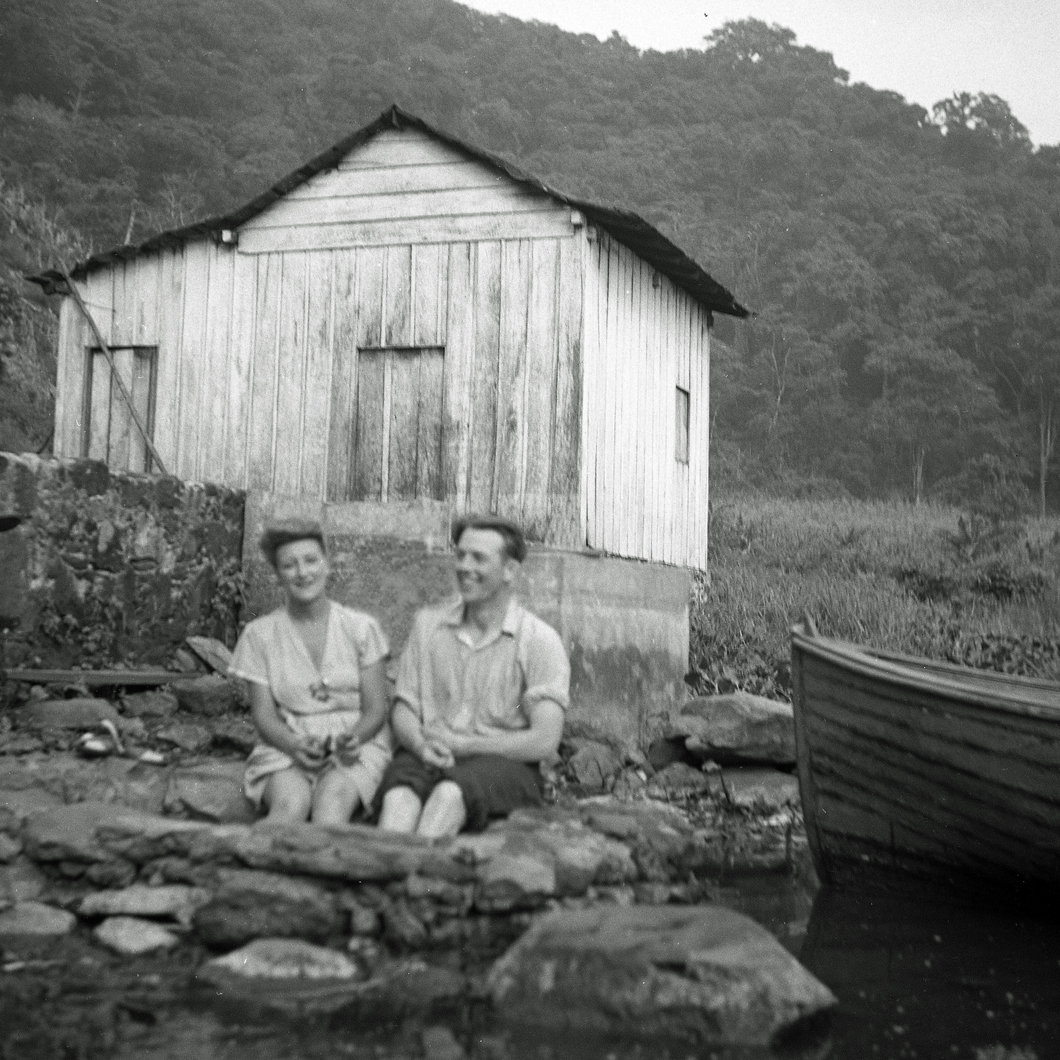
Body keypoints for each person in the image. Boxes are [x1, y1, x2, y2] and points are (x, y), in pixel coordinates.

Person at [376, 515, 569, 839]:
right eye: (461, 555)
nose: (464, 566)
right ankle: (379, 877)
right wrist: (421, 745)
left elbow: (544, 740)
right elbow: (404, 707)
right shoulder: (428, 625)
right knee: (399, 797)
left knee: (449, 795)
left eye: (478, 558)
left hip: (504, 767)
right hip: (430, 754)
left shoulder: (538, 640)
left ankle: (415, 879)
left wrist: (467, 745)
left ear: (510, 570)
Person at [229, 518, 392, 825]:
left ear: (327, 564)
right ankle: (244, 868)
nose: (303, 573)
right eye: (289, 565)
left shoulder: (360, 628)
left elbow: (375, 710)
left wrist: (352, 739)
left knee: (330, 810)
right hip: (287, 743)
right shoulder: (258, 635)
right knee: (290, 808)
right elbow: (264, 717)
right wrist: (293, 745)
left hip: (356, 745)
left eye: (311, 561)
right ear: (278, 574)